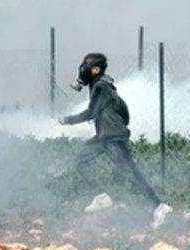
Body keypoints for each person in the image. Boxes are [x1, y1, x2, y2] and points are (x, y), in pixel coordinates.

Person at [58, 52, 172, 229]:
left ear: (96, 69)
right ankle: (101, 197)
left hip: (112, 138)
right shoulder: (103, 85)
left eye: (86, 66)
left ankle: (159, 206)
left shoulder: (101, 87)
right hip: (105, 136)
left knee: (131, 173)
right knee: (81, 159)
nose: (82, 70)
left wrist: (67, 120)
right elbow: (122, 112)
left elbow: (91, 112)